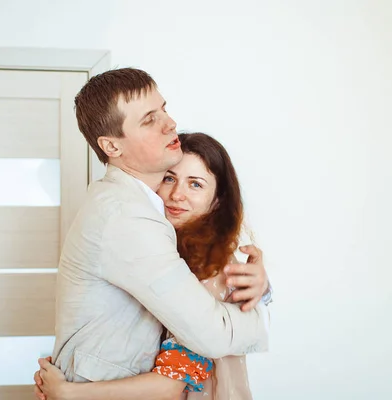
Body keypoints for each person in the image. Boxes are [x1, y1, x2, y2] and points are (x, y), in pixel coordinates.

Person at [39, 68, 270, 389]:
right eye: (149, 119)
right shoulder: (128, 218)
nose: (170, 123)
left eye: (163, 108)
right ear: (112, 146)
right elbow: (213, 337)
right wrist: (261, 316)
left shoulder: (136, 205)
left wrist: (262, 288)